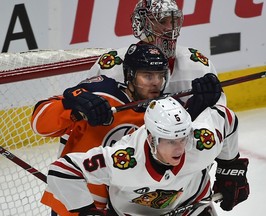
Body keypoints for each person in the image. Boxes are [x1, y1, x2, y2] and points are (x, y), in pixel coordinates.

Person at [45, 96, 250, 216]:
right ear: (151, 138)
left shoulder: (201, 141)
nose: (180, 148)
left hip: (192, 208)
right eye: (170, 141)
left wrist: (230, 169)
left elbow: (226, 117)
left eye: (182, 138)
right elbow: (62, 170)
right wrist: (85, 211)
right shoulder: (124, 159)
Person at [31, 43, 171, 215]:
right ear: (130, 76)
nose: (156, 83)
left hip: (127, 207)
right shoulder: (102, 95)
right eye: (148, 76)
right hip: (77, 203)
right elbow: (39, 125)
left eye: (160, 76)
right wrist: (74, 109)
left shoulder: (164, 112)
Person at [89, 0, 226, 105]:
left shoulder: (197, 65)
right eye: (162, 21)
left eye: (174, 21)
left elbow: (222, 117)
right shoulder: (110, 66)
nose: (170, 29)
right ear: (141, 24)